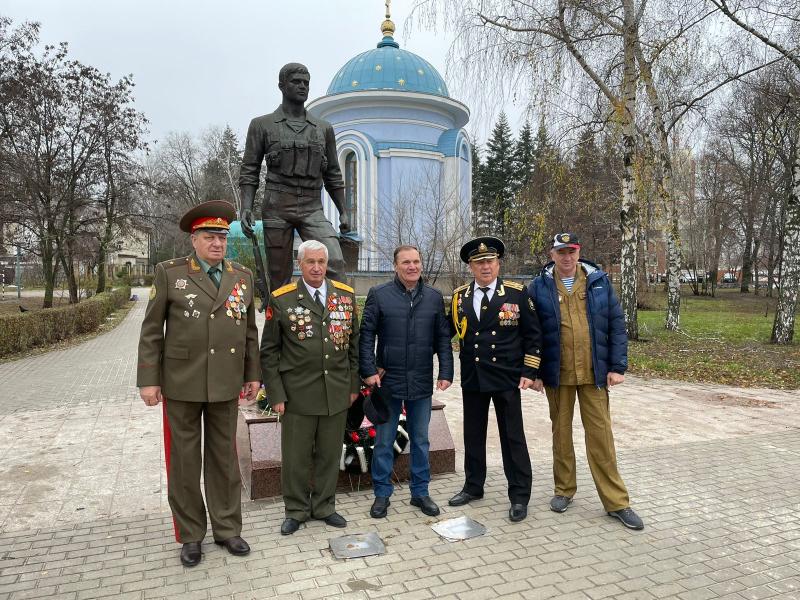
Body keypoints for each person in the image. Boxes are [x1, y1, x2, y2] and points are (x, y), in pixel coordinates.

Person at [137, 200, 261, 567]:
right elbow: (150, 331)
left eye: (222, 237)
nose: (217, 244)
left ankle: (227, 529)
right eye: (209, 237)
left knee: (224, 460)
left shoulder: (241, 276)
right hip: (182, 382)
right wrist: (149, 380)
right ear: (194, 240)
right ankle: (191, 535)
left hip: (225, 382)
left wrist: (253, 374)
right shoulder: (170, 273)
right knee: (186, 462)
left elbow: (249, 331)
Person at [529, 233, 644, 530]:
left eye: (572, 251)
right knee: (561, 434)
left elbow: (617, 325)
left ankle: (616, 502)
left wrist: (617, 366)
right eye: (561, 252)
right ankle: (564, 490)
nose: (567, 257)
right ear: (552, 254)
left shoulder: (600, 282)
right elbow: (532, 333)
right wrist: (535, 372)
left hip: (594, 374)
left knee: (601, 436)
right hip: (558, 374)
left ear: (579, 252)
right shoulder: (539, 287)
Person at [260, 239, 360, 535]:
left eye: (321, 262)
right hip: (298, 394)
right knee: (296, 457)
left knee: (330, 454)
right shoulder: (282, 298)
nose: (317, 268)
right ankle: (296, 509)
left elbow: (353, 345)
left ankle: (324, 506)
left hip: (336, 391)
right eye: (310, 262)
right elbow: (269, 352)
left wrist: (353, 385)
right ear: (299, 264)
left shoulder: (345, 295)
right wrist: (275, 393)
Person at [448, 237, 543, 522]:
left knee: (512, 437)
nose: (485, 266)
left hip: (506, 376)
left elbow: (533, 336)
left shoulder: (516, 294)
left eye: (489, 261)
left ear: (498, 263)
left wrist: (529, 371)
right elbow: (447, 332)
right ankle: (473, 486)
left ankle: (519, 495)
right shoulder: (460, 297)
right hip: (474, 376)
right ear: (470, 267)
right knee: (473, 435)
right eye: (479, 262)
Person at [359, 245, 454, 519]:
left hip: (421, 381)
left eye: (416, 262)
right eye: (406, 262)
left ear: (421, 265)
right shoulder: (379, 295)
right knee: (385, 441)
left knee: (421, 440)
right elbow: (366, 336)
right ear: (396, 266)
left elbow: (442, 339)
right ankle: (381, 494)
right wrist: (368, 370)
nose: (412, 267)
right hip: (388, 383)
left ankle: (420, 492)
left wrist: (445, 371)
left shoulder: (434, 297)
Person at [239, 62, 350, 290]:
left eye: (306, 83)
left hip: (312, 206)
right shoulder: (262, 125)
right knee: (279, 276)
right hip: (276, 205)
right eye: (296, 82)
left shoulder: (323, 128)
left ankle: (338, 322)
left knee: (335, 261)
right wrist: (246, 207)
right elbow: (249, 170)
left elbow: (333, 174)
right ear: (282, 85)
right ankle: (277, 325)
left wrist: (344, 211)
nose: (302, 86)